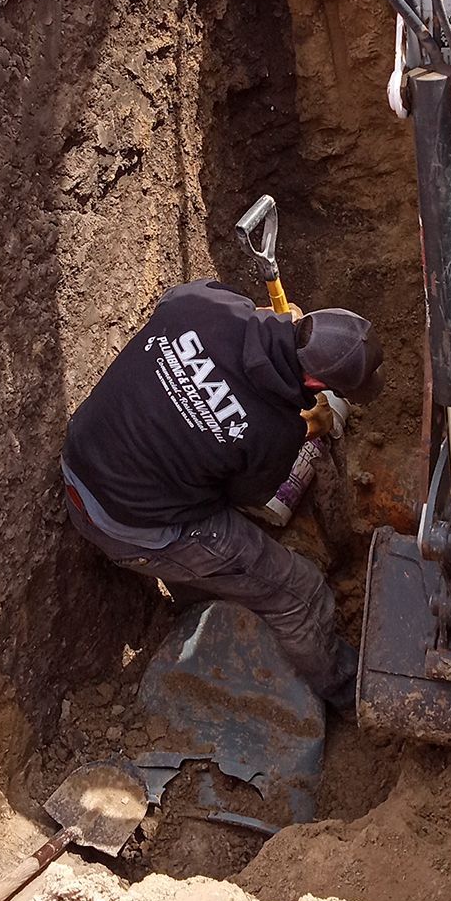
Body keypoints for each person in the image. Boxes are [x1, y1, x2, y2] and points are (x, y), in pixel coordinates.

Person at [61, 280, 383, 709]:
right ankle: (349, 692)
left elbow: (175, 303)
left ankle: (207, 594)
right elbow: (249, 500)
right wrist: (307, 427)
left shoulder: (204, 305)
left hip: (81, 457)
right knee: (298, 591)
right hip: (125, 526)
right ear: (316, 381)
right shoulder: (275, 433)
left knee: (209, 493)